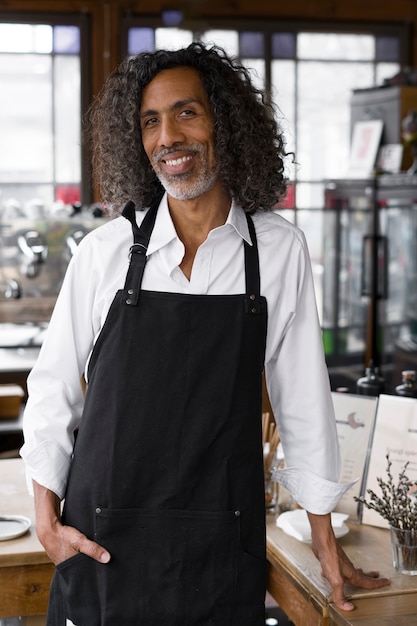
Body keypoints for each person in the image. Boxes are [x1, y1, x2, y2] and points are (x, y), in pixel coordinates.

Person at [20, 42, 390, 625]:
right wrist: (47, 521)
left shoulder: (277, 249)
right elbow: (53, 389)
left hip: (218, 546)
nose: (167, 136)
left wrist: (324, 536)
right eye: (150, 121)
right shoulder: (105, 253)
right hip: (102, 542)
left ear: (226, 121)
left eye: (186, 113)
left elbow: (302, 400)